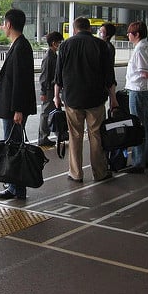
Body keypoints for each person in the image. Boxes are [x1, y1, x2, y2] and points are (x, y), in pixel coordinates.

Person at [53, 17, 114, 182]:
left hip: (72, 99)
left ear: (74, 29)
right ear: (89, 29)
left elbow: (58, 75)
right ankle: (100, 172)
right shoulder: (101, 45)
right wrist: (113, 99)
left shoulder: (65, 45)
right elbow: (109, 76)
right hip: (95, 99)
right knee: (96, 135)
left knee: (75, 136)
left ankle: (76, 173)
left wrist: (56, 96)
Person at [0, 8, 37, 200]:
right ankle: (15, 187)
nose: (3, 27)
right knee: (14, 146)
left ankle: (15, 188)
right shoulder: (19, 45)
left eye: (4, 23)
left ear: (9, 24)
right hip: (12, 107)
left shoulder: (20, 47)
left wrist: (18, 109)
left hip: (14, 109)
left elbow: (21, 80)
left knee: (14, 147)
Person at [125, 21, 148, 173]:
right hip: (147, 90)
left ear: (137, 34)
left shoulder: (140, 49)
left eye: (129, 33)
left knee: (138, 126)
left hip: (138, 91)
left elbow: (145, 73)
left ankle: (138, 162)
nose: (128, 35)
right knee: (146, 126)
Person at [38, 31, 64, 147]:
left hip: (52, 88)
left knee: (54, 112)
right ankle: (43, 137)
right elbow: (44, 76)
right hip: (49, 89)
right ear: (54, 43)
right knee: (46, 114)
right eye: (59, 42)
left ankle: (59, 133)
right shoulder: (49, 57)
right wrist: (43, 91)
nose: (60, 44)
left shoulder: (53, 56)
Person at [98, 22, 119, 110]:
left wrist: (112, 95)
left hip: (104, 83)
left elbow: (109, 69)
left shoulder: (107, 47)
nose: (99, 33)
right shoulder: (102, 45)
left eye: (102, 31)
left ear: (107, 35)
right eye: (99, 30)